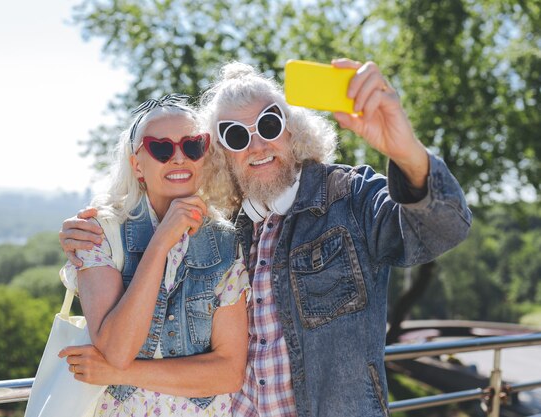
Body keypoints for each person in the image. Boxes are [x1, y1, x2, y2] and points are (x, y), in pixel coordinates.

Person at [59, 59, 472, 417]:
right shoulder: (226, 231)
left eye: (269, 124)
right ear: (221, 153)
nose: (256, 144)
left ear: (292, 130)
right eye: (236, 136)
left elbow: (441, 229)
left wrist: (406, 151)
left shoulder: (348, 197)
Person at [57, 94, 250, 417]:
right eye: (160, 148)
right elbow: (117, 349)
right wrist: (160, 242)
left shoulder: (228, 245)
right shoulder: (99, 232)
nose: (178, 158)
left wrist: (120, 374)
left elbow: (228, 372)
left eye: (192, 146)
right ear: (137, 165)